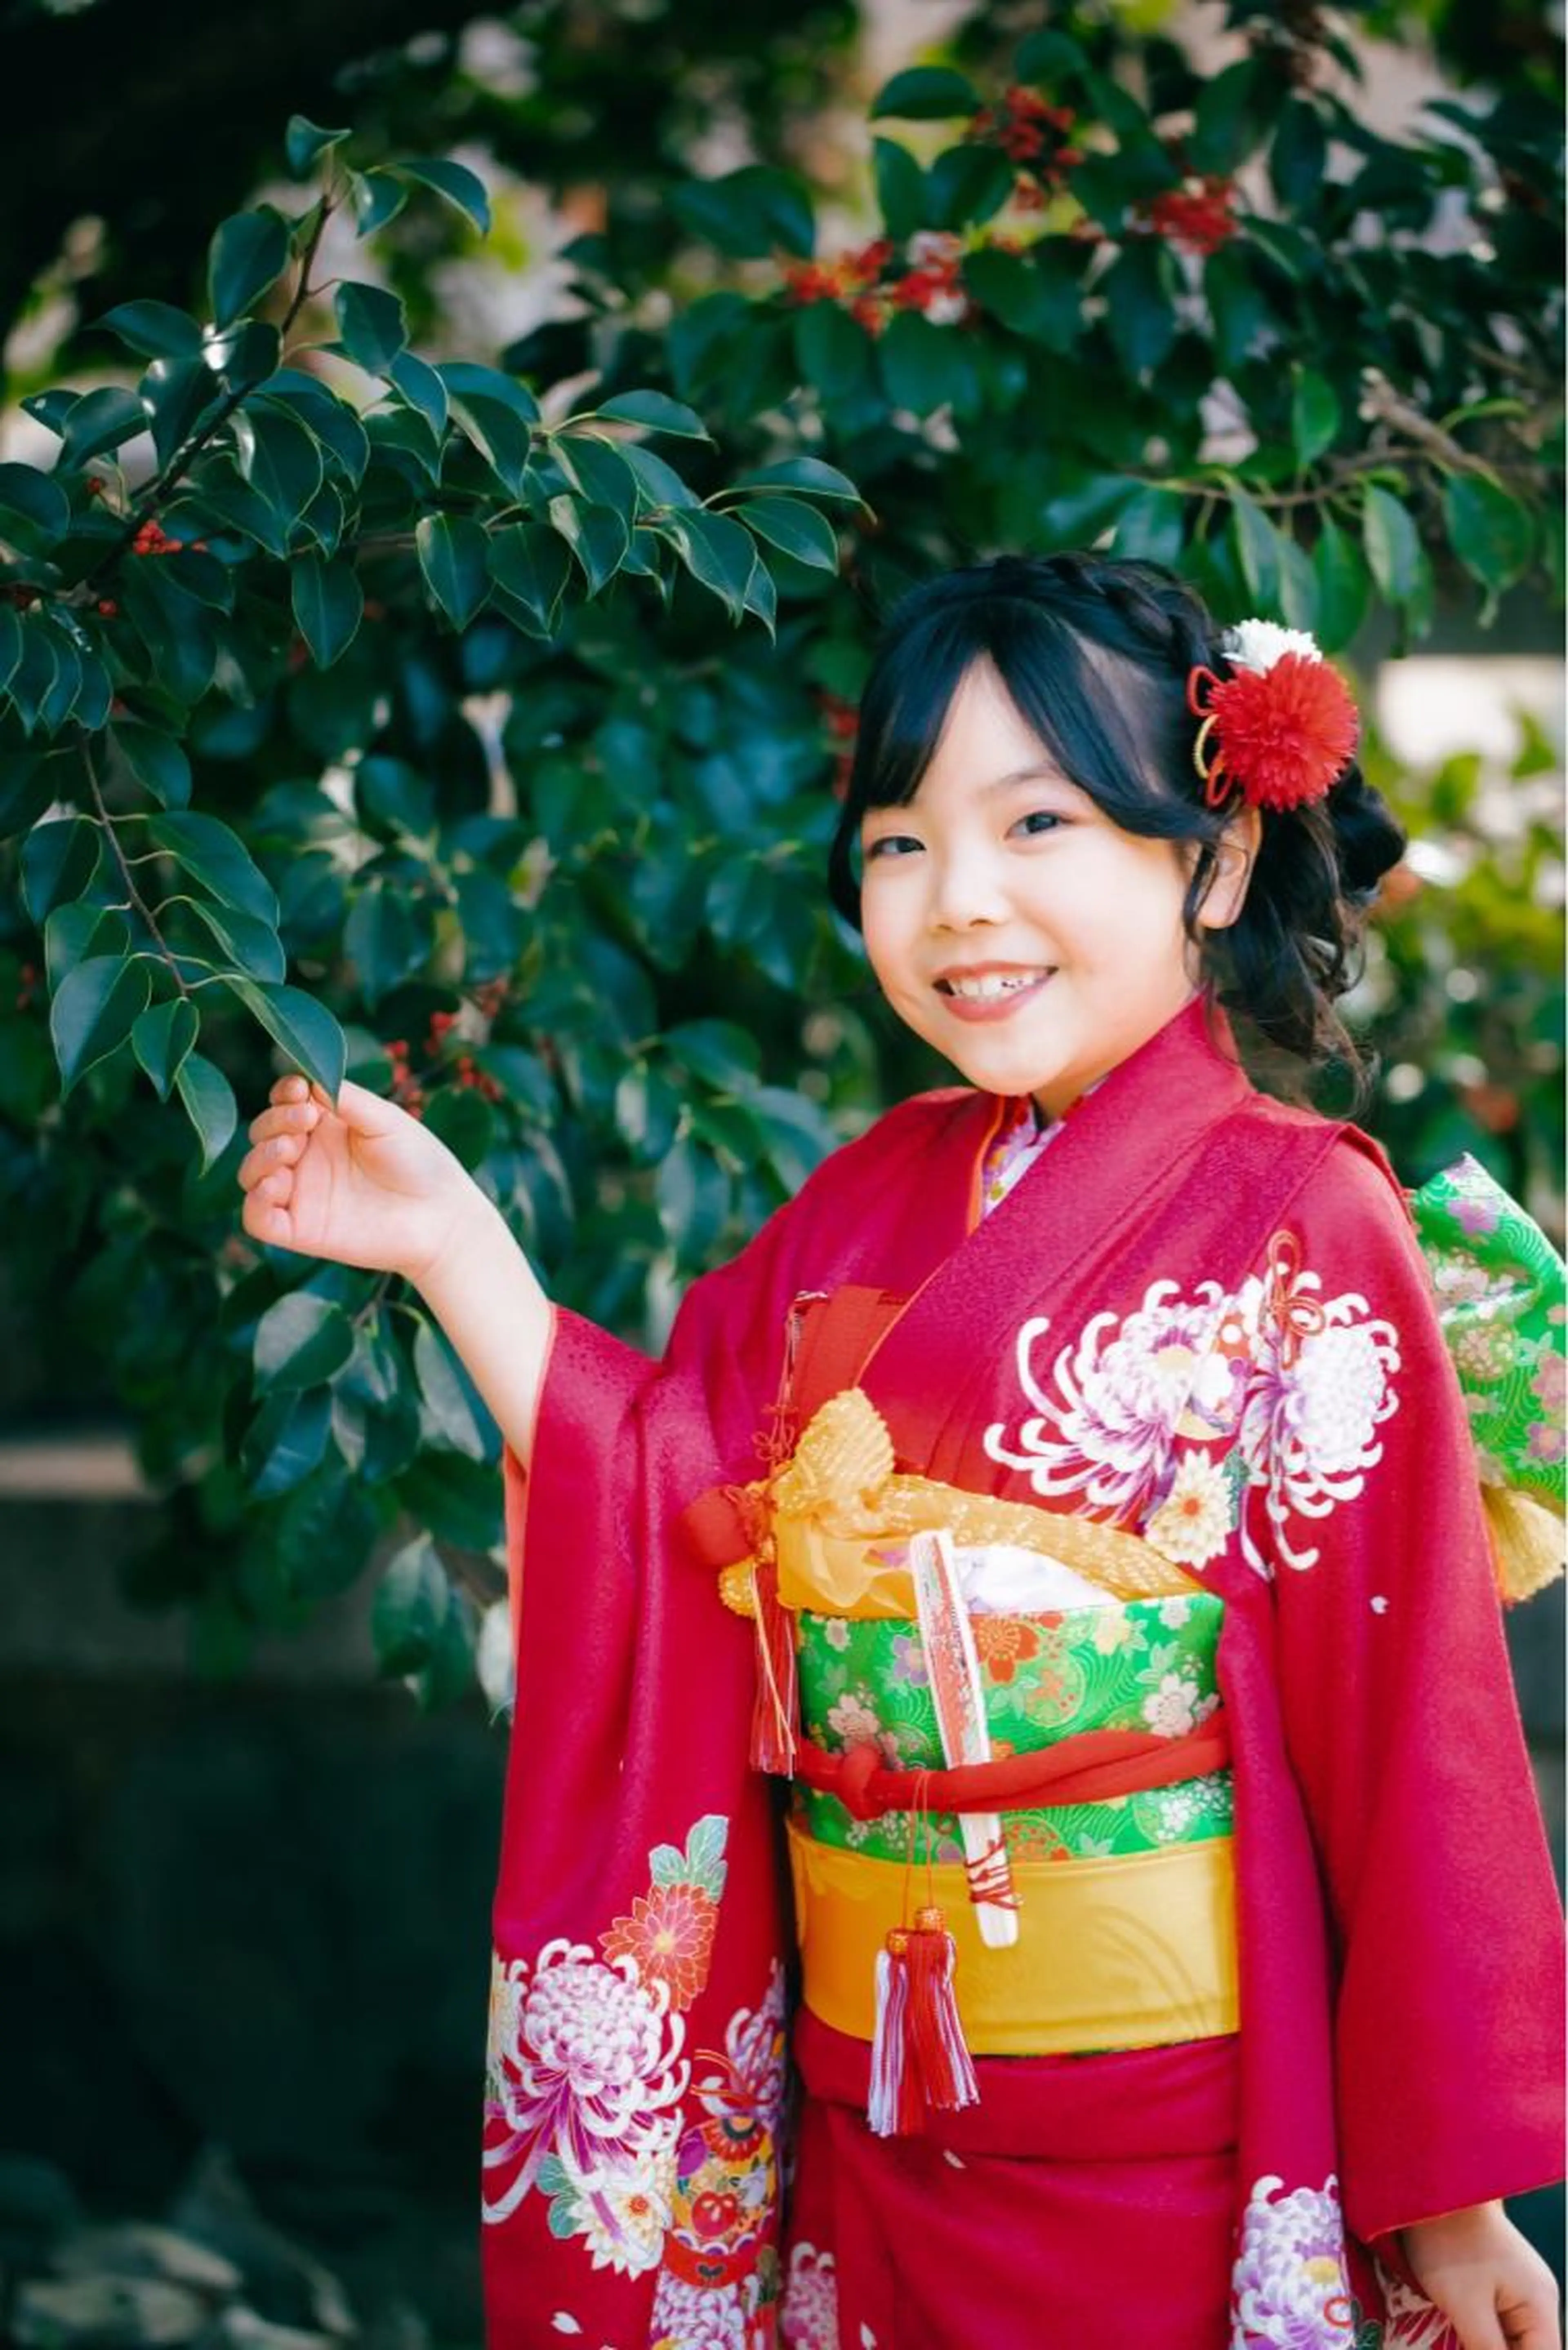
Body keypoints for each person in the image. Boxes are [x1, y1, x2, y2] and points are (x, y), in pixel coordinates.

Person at [238, 554, 1564, 2350]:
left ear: (1221, 856)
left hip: (1172, 2156)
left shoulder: (1301, 1220)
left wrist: (1457, 2198)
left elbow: (1413, 1714)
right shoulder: (875, 1191)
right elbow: (668, 1485)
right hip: (872, 2144)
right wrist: (455, 1247)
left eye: (1038, 824)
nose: (961, 903)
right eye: (901, 844)